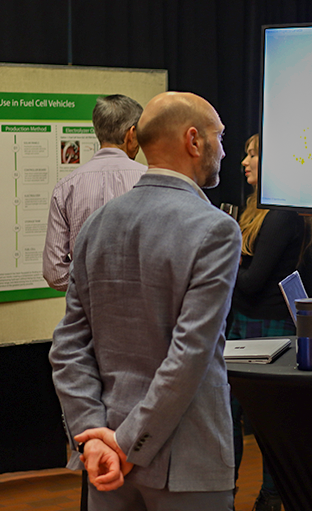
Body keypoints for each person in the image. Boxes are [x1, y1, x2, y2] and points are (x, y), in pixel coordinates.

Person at [48, 91, 241, 511]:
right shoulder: (217, 230)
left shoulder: (96, 225)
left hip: (105, 464)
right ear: (194, 141)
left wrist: (93, 437)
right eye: (219, 137)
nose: (224, 150)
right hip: (184, 464)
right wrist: (126, 443)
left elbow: (67, 348)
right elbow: (189, 355)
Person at [228, 133, 312, 511]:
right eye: (247, 154)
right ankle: (224, 492)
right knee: (228, 416)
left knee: (269, 423)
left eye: (254, 155)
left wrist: (217, 255)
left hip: (268, 330)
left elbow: (250, 282)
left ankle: (271, 496)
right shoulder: (256, 209)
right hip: (246, 325)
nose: (245, 162)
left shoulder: (282, 215)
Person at [43, 94, 147, 292]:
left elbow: (54, 273)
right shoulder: (150, 180)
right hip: (143, 309)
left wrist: (91, 282)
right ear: (131, 133)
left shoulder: (66, 187)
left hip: (86, 313)